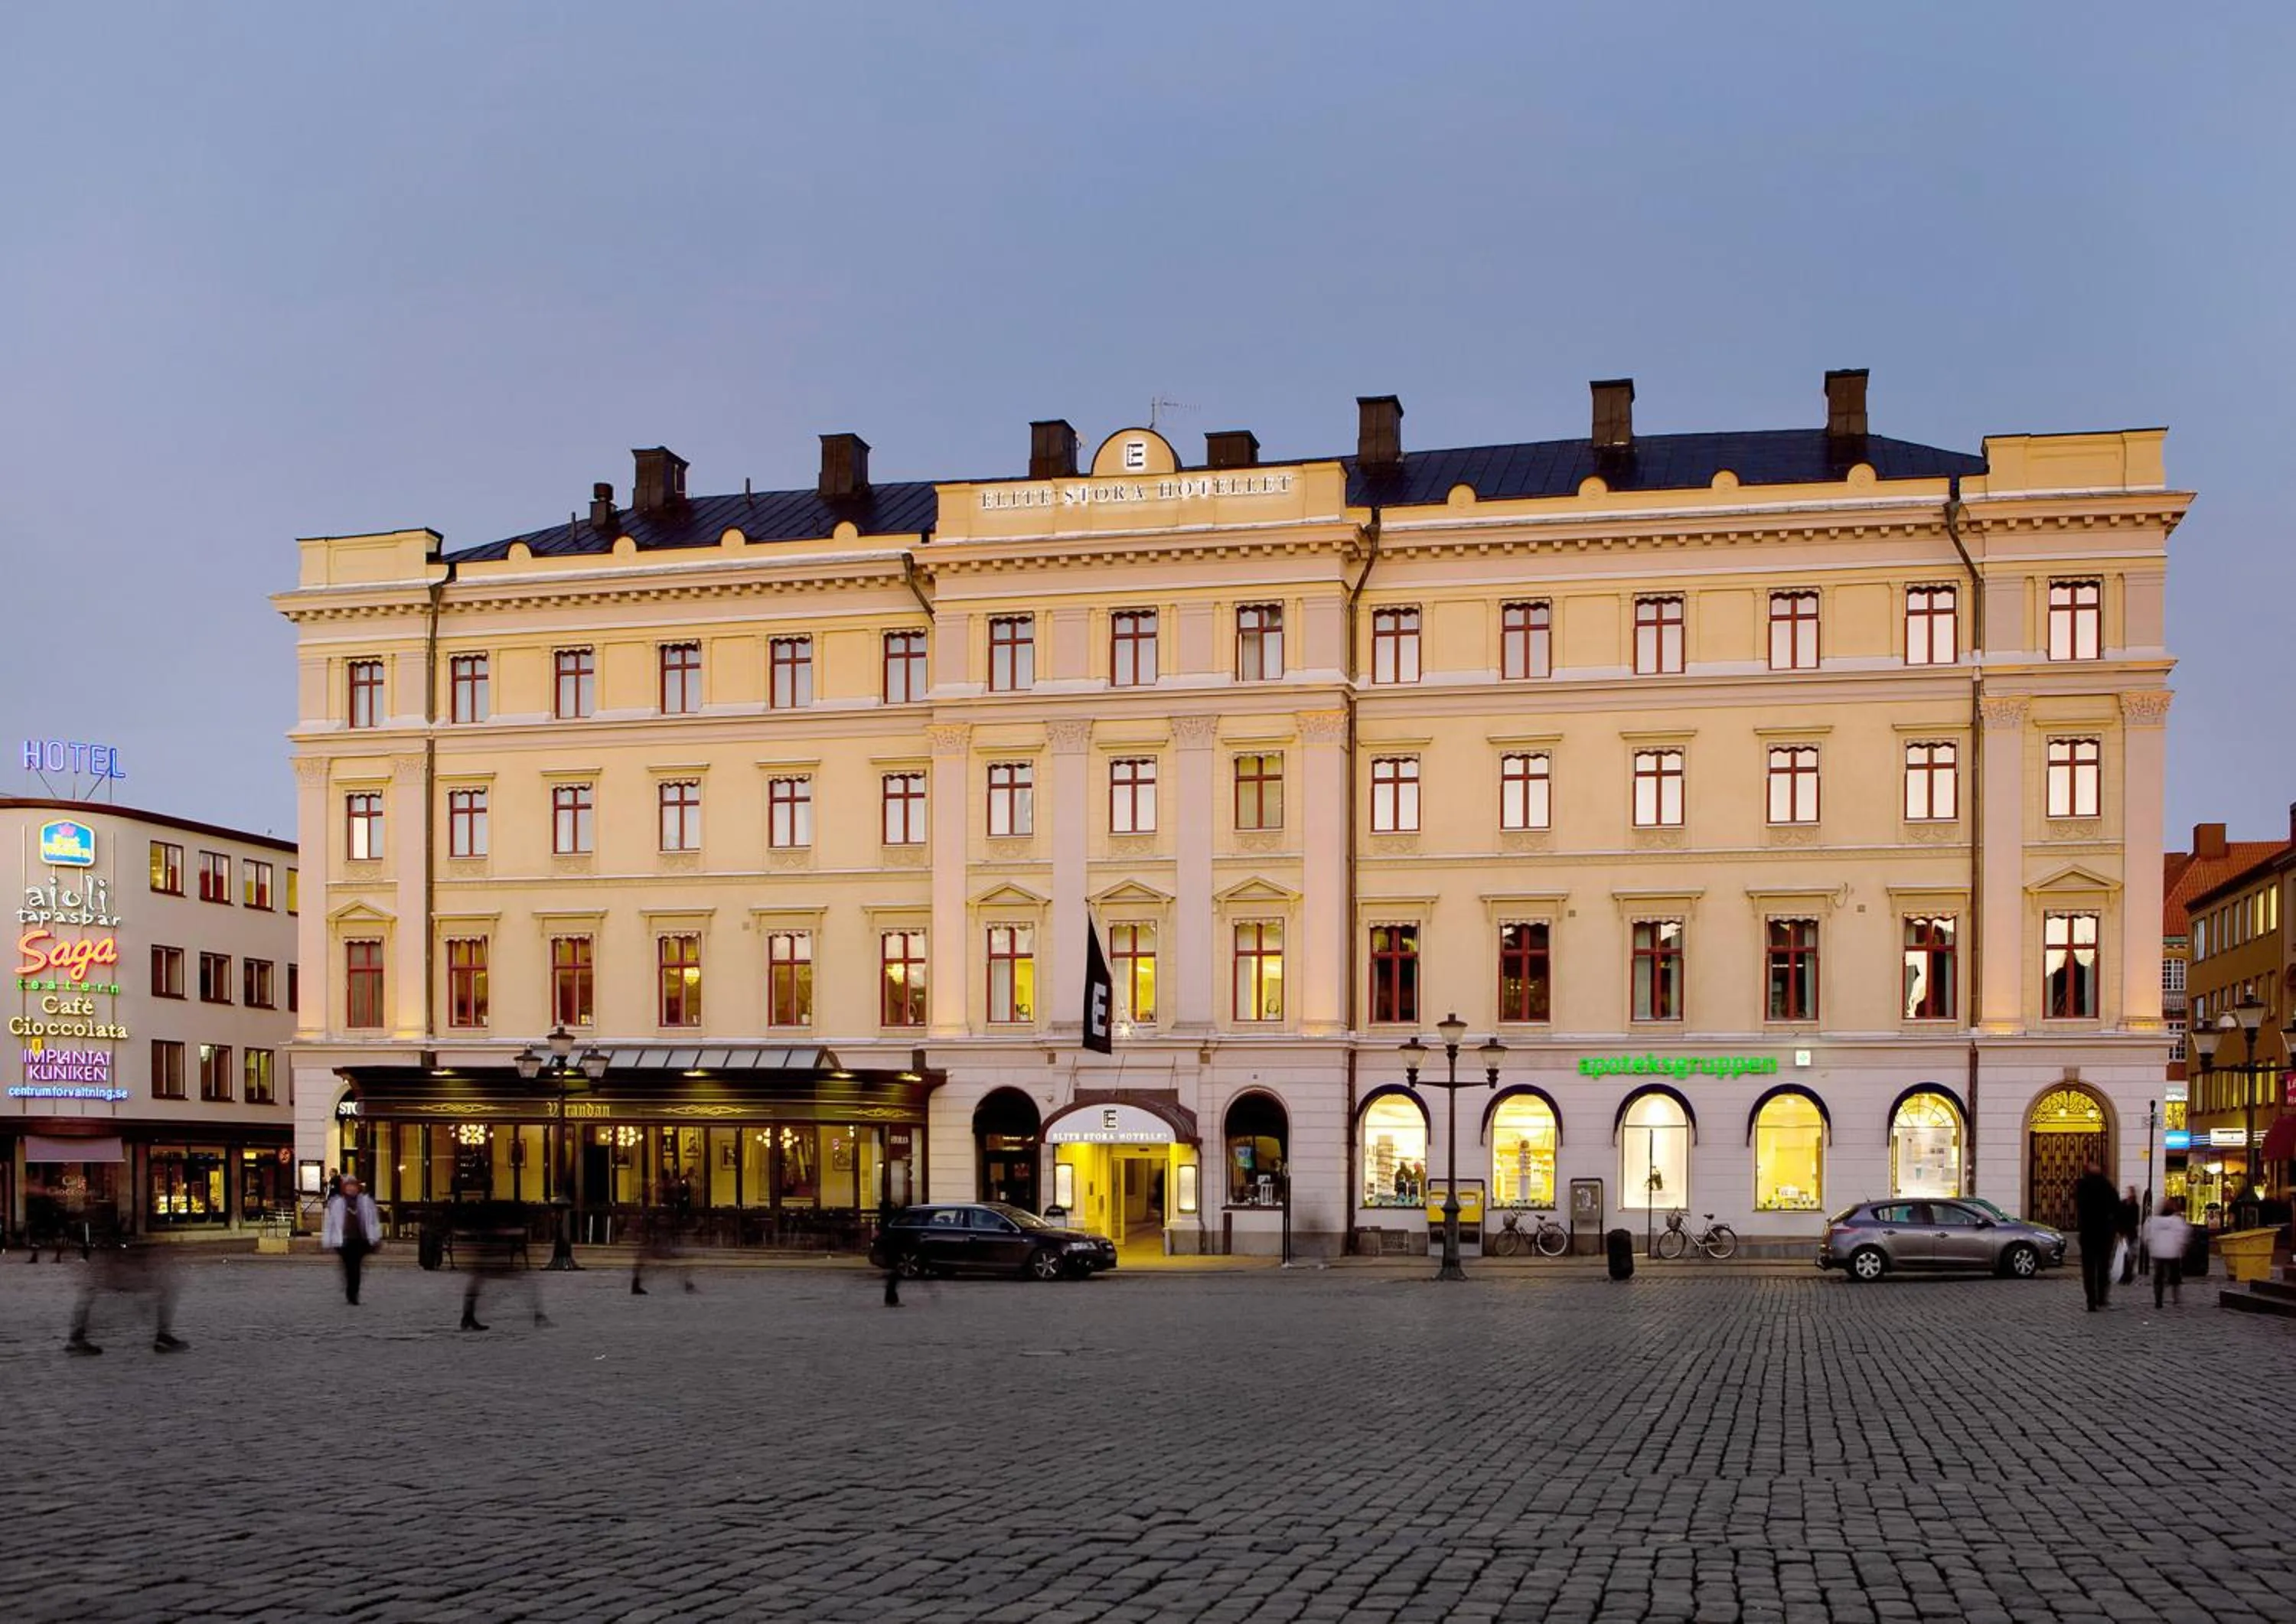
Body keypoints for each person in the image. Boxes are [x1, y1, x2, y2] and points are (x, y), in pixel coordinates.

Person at [66, 1225, 185, 1355]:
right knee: (165, 1286)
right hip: (113, 1264)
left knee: (90, 1291)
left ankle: (77, 1337)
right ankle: (163, 1335)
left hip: (112, 1262)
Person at [458, 1199, 547, 1332]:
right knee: (525, 1283)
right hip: (493, 1260)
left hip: (491, 1260)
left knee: (477, 1284)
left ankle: (468, 1315)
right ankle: (538, 1314)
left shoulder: (492, 1221)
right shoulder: (499, 1222)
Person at [323, 1176, 382, 1304]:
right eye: (349, 1186)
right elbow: (331, 1223)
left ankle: (354, 1292)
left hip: (360, 1240)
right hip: (344, 1241)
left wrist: (375, 1237)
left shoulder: (365, 1202)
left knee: (356, 1267)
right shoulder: (338, 1203)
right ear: (344, 1188)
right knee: (349, 1266)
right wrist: (327, 1240)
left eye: (353, 1186)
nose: (351, 1189)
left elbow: (373, 1221)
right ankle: (350, 1290)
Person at [2072, 1159, 2121, 1311]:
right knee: (2102, 1267)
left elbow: (2080, 1206)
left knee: (2090, 1269)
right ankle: (2100, 1298)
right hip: (2103, 1233)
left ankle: (2092, 1300)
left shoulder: (2082, 1185)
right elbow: (2116, 1207)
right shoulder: (2106, 1185)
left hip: (2089, 1233)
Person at [2143, 1196, 2190, 1309]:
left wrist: (2149, 1246)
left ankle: (2158, 1300)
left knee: (2159, 1276)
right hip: (2173, 1251)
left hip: (2158, 1252)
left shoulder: (2153, 1221)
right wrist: (2182, 1247)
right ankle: (2176, 1298)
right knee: (2175, 1276)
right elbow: (2183, 1234)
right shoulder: (2177, 1221)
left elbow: (2146, 1235)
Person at [2117, 1185, 2141, 1285]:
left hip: (2131, 1233)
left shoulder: (2135, 1206)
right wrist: (2120, 1232)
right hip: (2124, 1233)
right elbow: (2119, 1218)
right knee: (2125, 1255)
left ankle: (2128, 1274)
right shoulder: (2123, 1204)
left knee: (2131, 1255)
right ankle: (2125, 1275)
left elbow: (2135, 1221)